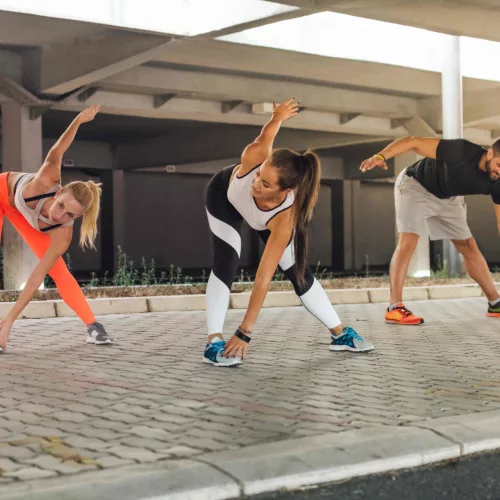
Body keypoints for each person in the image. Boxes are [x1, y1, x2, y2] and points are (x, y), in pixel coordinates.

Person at [203, 98, 374, 366]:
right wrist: (278, 117)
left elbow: (263, 277)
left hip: (264, 219)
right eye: (259, 175)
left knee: (298, 272)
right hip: (223, 197)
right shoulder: (254, 155)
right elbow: (267, 135)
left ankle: (340, 335)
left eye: (266, 183)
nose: (256, 184)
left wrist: (244, 332)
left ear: (285, 191)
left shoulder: (284, 218)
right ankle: (213, 342)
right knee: (226, 262)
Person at [0, 105, 113, 351]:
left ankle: (93, 326)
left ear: (78, 216)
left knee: (58, 271)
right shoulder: (46, 179)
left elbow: (36, 277)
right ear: (58, 192)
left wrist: (9, 321)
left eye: (69, 214)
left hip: (23, 216)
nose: (57, 215)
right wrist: (79, 120)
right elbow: (58, 148)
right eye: (60, 205)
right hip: (2, 193)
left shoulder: (63, 232)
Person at [360, 135, 500, 325]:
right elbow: (413, 141)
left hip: (447, 197)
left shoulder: (498, 180)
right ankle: (395, 308)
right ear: (490, 153)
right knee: (409, 241)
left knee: (468, 245)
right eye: (499, 164)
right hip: (416, 186)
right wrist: (381, 156)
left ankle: (495, 303)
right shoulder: (462, 151)